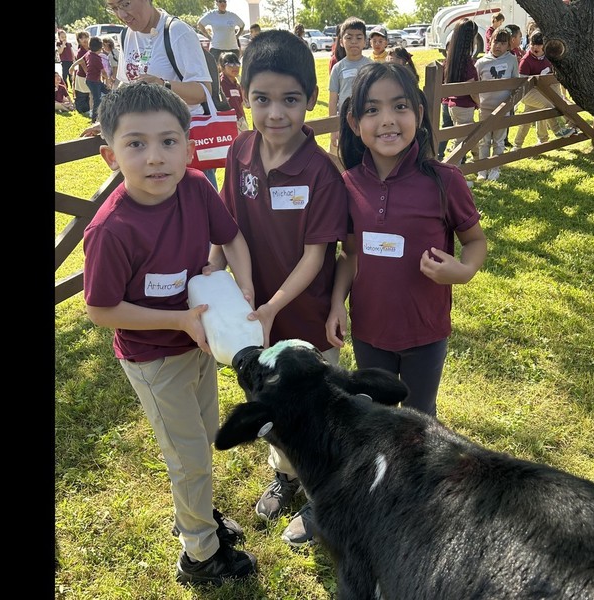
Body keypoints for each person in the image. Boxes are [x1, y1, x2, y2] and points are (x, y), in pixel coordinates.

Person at [82, 81, 258, 587]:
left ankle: (199, 515)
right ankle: (200, 555)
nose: (155, 158)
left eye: (169, 141)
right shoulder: (111, 231)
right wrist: (179, 320)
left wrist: (242, 285)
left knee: (201, 440)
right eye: (136, 143)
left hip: (199, 341)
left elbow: (231, 238)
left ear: (189, 144)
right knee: (188, 457)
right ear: (109, 155)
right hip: (153, 358)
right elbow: (100, 309)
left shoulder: (197, 186)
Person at [221, 29, 348, 548]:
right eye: (262, 99)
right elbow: (227, 228)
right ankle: (286, 476)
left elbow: (316, 256)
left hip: (308, 317)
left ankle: (327, 497)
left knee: (319, 414)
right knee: (274, 409)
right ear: (245, 97)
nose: (275, 114)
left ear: (311, 101)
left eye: (290, 100)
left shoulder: (321, 172)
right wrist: (222, 285)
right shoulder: (239, 152)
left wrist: (271, 306)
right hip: (255, 318)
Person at [327, 61, 487, 419]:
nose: (387, 119)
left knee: (419, 421)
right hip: (369, 332)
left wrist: (463, 271)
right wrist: (338, 303)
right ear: (354, 123)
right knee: (378, 419)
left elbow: (475, 241)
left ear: (418, 113)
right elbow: (350, 254)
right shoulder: (349, 184)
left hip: (426, 334)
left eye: (399, 106)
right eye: (372, 109)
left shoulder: (446, 181)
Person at [93, 0, 220, 190]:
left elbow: (203, 91)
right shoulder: (126, 34)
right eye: (113, 8)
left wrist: (163, 84)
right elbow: (123, 84)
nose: (121, 14)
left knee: (198, 213)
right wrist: (108, 119)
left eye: (125, 4)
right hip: (145, 150)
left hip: (181, 148)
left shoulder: (177, 31)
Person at [513, 30, 575, 150]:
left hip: (543, 91)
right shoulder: (526, 61)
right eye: (533, 44)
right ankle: (558, 129)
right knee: (547, 105)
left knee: (528, 117)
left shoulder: (548, 58)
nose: (535, 47)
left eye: (539, 44)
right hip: (528, 93)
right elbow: (522, 84)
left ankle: (521, 144)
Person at [474, 27, 519, 181]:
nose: (498, 46)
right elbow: (475, 85)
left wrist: (511, 105)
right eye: (495, 42)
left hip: (503, 108)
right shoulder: (481, 63)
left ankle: (495, 168)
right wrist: (478, 104)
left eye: (502, 43)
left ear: (508, 45)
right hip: (485, 108)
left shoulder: (512, 60)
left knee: (499, 139)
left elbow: (516, 82)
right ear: (490, 42)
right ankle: (482, 170)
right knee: (484, 139)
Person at [328, 17, 371, 152]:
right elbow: (333, 100)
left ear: (365, 41)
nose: (354, 41)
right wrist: (333, 128)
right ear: (341, 41)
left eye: (359, 38)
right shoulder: (337, 68)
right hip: (345, 123)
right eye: (349, 37)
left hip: (368, 119)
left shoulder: (372, 66)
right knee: (347, 156)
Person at [443, 18, 479, 163]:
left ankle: (478, 160)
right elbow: (472, 89)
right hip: (465, 106)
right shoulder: (467, 63)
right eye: (475, 38)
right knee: (460, 141)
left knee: (471, 134)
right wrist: (479, 103)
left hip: (453, 105)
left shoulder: (451, 60)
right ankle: (451, 168)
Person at [70, 36, 107, 123]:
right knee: (97, 99)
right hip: (93, 82)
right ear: (100, 48)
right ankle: (94, 120)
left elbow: (80, 60)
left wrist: (72, 66)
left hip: (93, 80)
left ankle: (107, 109)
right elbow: (103, 72)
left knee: (107, 92)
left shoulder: (89, 53)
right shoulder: (97, 59)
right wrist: (109, 79)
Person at [218, 52, 248, 132]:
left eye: (237, 64)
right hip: (227, 122)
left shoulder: (237, 84)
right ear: (222, 67)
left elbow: (240, 105)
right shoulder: (219, 84)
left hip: (240, 121)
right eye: (230, 64)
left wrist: (245, 121)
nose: (235, 67)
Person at [73, 30, 92, 116]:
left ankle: (90, 109)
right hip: (82, 76)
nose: (84, 39)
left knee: (90, 94)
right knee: (82, 94)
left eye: (86, 37)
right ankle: (83, 110)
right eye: (82, 38)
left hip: (91, 75)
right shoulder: (80, 51)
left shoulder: (91, 48)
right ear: (78, 40)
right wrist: (89, 75)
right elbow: (84, 66)